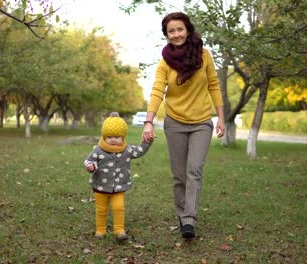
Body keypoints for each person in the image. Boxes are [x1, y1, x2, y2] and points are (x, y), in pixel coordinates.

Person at [141, 12, 225, 240]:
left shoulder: (204, 56)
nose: (176, 34)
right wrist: (148, 121)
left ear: (188, 30)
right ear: (166, 35)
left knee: (194, 170)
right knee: (179, 175)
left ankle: (189, 219)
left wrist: (221, 117)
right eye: (171, 31)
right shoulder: (164, 62)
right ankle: (182, 214)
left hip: (201, 123)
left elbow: (214, 86)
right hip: (175, 123)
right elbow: (157, 91)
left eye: (180, 29)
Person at [84, 112, 153, 241]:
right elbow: (88, 161)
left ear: (123, 136)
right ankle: (100, 230)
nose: (113, 139)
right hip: (100, 186)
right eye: (109, 136)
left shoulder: (127, 150)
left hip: (119, 186)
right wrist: (90, 166)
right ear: (104, 136)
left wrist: (147, 142)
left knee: (118, 207)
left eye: (117, 136)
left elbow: (140, 151)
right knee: (101, 209)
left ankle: (119, 230)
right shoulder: (98, 150)